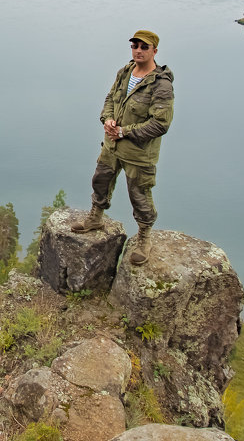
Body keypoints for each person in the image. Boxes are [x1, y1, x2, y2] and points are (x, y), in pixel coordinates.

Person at [71, 29, 174, 266]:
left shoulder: (161, 85)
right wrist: (107, 119)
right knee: (100, 180)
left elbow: (160, 123)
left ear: (154, 51)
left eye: (144, 47)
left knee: (139, 195)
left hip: (138, 153)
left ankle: (144, 237)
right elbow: (110, 99)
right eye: (135, 46)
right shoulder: (125, 72)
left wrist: (124, 132)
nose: (138, 50)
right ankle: (95, 218)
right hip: (112, 145)